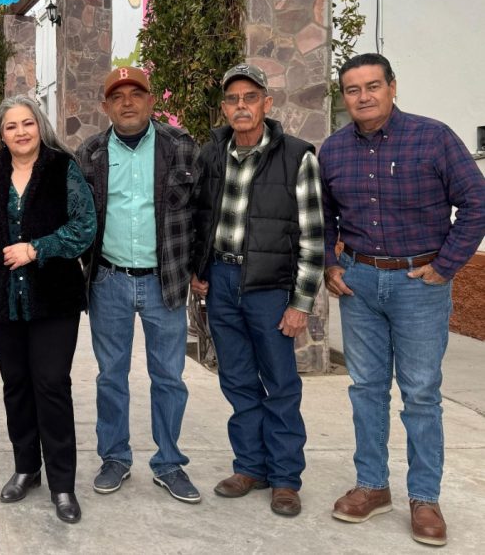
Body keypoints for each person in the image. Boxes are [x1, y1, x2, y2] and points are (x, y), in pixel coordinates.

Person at [320, 53, 485, 547]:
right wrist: (332, 261)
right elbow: (323, 214)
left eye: (373, 86)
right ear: (344, 96)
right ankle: (372, 486)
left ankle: (424, 497)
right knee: (366, 388)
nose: (363, 97)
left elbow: (476, 202)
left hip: (420, 283)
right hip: (360, 283)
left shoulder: (433, 137)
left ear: (392, 86)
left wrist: (446, 264)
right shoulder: (333, 150)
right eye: (352, 89)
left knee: (419, 392)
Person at [190, 63, 324, 517]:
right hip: (223, 282)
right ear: (225, 107)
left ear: (267, 104)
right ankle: (250, 466)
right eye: (232, 99)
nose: (241, 106)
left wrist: (301, 303)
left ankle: (285, 478)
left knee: (281, 384)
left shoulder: (297, 156)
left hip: (269, 288)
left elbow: (312, 235)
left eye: (250, 97)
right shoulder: (213, 154)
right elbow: (201, 217)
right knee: (238, 380)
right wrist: (199, 267)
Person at [76, 66, 202, 503]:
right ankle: (115, 457)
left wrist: (198, 269)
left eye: (136, 94)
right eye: (117, 96)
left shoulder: (181, 147)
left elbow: (201, 213)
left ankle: (169, 463)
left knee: (168, 376)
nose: (127, 102)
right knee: (111, 376)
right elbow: (76, 217)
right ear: (105, 106)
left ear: (151, 101)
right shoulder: (89, 153)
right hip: (108, 280)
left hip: (164, 282)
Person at [0, 95, 96, 524]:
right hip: (0, 297)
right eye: (11, 126)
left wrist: (36, 249)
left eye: (27, 123)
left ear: (39, 126)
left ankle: (63, 485)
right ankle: (27, 467)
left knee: (51, 385)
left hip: (53, 299)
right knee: (16, 385)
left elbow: (84, 228)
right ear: (1, 134)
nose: (21, 132)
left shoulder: (63, 168)